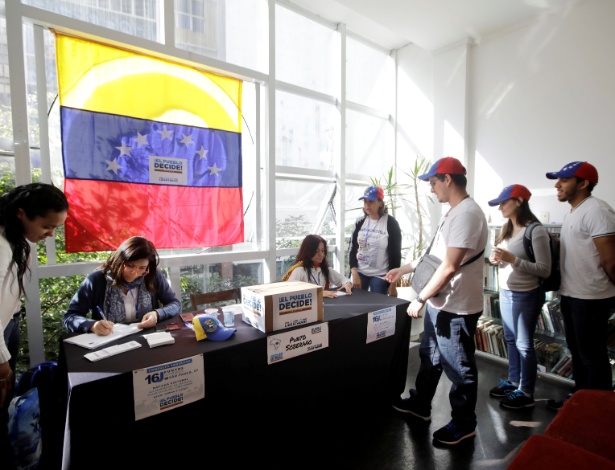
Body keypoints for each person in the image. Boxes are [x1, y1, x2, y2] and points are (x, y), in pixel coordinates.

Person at [385, 156, 487, 446]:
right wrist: (404, 269)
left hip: (456, 307)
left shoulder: (467, 214)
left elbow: (450, 266)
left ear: (448, 180)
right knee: (429, 357)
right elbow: (434, 257)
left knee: (459, 366)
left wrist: (420, 297)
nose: (431, 189)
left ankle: (464, 424)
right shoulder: (453, 212)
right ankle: (420, 406)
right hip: (441, 304)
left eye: (433, 183)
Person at [0, 182, 69, 466]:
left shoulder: (17, 240)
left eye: (56, 228)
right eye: (47, 226)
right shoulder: (1, 246)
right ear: (21, 214)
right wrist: (1, 357)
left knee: (5, 403)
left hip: (8, 325)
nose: (51, 234)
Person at [544, 161, 615, 410]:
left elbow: (610, 260)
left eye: (564, 180)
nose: (557, 184)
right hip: (572, 294)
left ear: (584, 183)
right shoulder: (574, 211)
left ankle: (597, 411)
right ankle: (580, 402)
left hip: (592, 298)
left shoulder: (597, 210)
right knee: (578, 352)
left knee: (593, 357)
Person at [486, 184, 551, 409]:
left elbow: (544, 269)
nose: (500, 206)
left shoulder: (536, 230)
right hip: (506, 291)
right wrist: (499, 261)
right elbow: (507, 261)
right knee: (511, 339)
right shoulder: (507, 228)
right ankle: (514, 381)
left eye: (505, 202)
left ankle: (526, 392)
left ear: (520, 201)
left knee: (524, 344)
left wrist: (512, 259)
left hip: (526, 295)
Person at [63, 236, 181, 335]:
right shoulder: (96, 280)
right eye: (130, 265)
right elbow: (70, 317)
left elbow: (175, 304)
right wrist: (92, 325)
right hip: (108, 342)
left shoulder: (152, 276)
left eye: (142, 268)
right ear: (119, 261)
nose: (135, 272)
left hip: (146, 339)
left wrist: (157, 314)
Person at [349, 186, 402, 296]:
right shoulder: (360, 222)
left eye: (371, 201)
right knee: (358, 305)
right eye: (365, 201)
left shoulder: (391, 223)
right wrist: (354, 272)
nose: (367, 205)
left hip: (381, 275)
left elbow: (396, 256)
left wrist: (393, 285)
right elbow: (352, 248)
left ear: (380, 203)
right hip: (360, 272)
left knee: (376, 309)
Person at [282, 234, 352, 298]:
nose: (321, 255)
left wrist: (348, 284)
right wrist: (318, 293)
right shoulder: (299, 270)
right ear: (308, 251)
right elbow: (289, 292)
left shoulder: (325, 269)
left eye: (322, 250)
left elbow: (344, 280)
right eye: (316, 251)